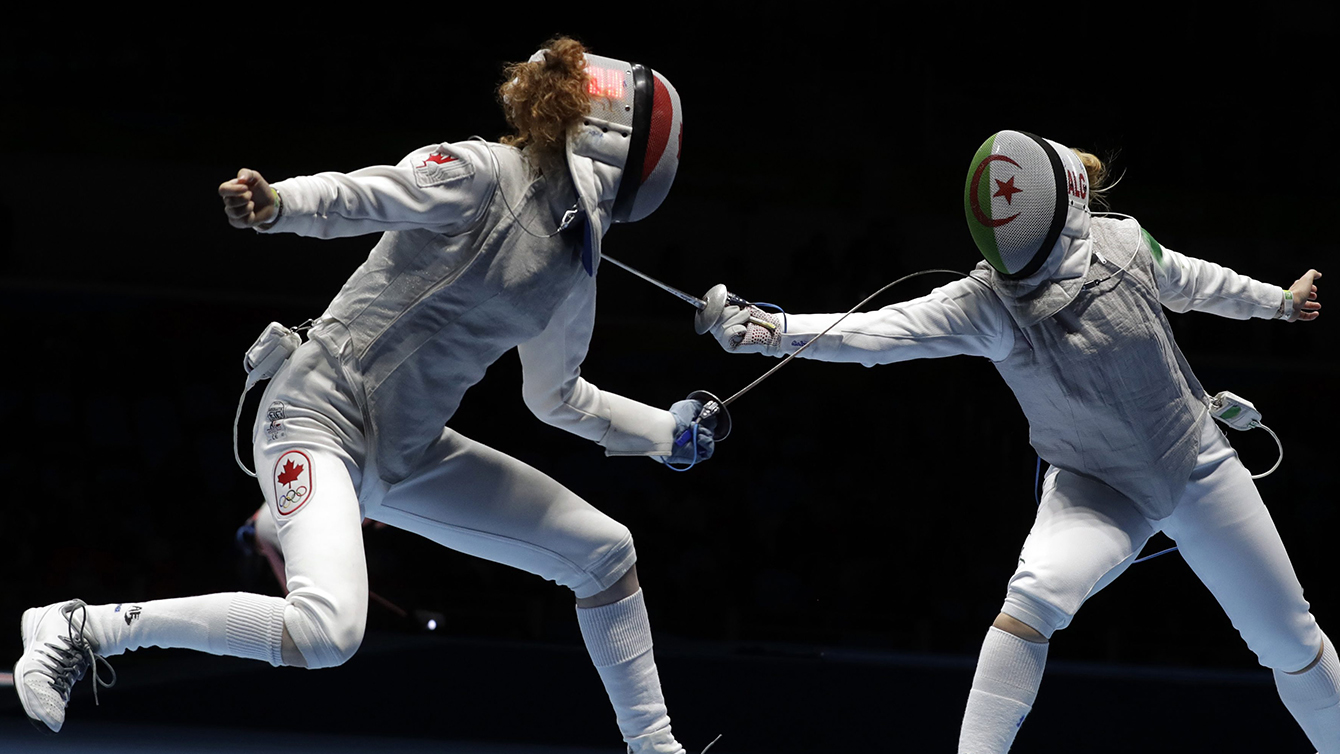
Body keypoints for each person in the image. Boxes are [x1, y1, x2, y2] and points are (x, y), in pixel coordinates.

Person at [14, 38, 714, 754]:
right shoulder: (481, 172)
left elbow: (558, 397)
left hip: (408, 453)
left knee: (604, 554)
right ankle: (79, 627)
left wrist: (668, 433)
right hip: (315, 414)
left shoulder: (574, 268)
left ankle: (654, 746)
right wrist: (280, 203)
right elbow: (367, 193)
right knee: (328, 630)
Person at [704, 130, 1332, 752]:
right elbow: (881, 333)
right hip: (1096, 487)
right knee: (1033, 598)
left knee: (1291, 642)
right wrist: (775, 328)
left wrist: (1279, 302)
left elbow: (1196, 282)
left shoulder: (1123, 241)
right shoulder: (990, 302)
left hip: (1196, 460)